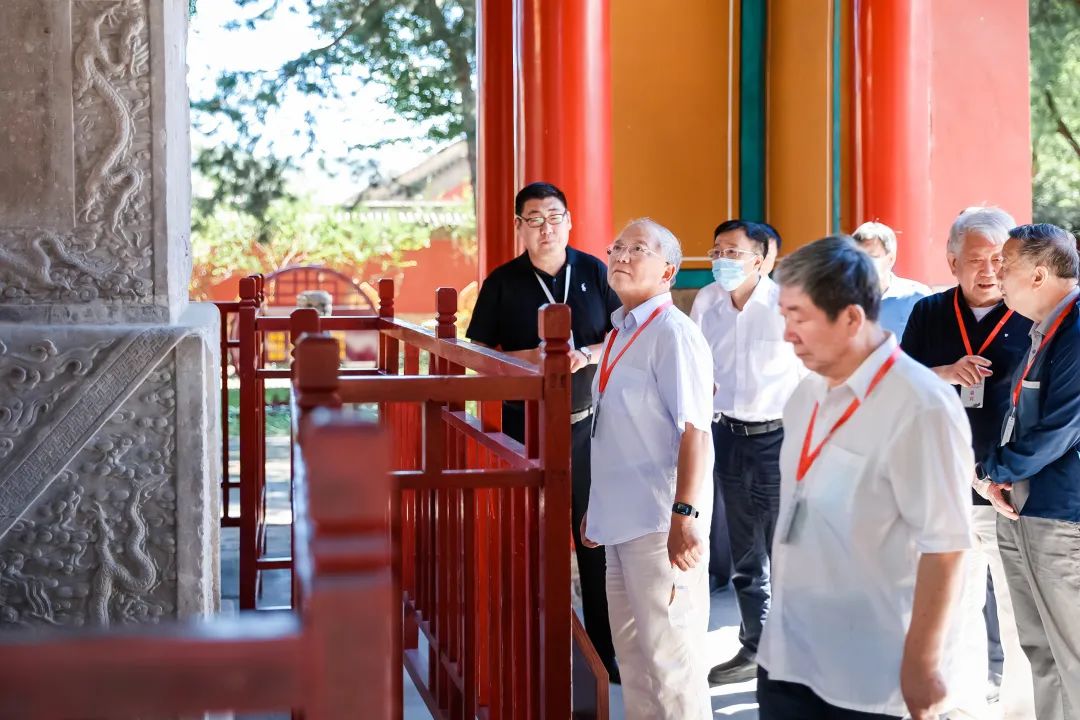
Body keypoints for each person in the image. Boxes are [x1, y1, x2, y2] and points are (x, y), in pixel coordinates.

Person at [757, 236, 976, 719]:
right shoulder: (805, 396)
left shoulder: (921, 407)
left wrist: (923, 664)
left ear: (852, 318)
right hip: (786, 656)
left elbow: (946, 546)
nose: (787, 334)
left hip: (869, 671)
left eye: (799, 317)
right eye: (784, 316)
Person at [465, 182, 621, 681]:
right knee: (525, 540)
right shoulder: (502, 282)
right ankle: (525, 647)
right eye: (534, 219)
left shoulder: (594, 271)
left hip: (588, 427)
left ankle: (603, 655)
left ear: (569, 221)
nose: (546, 228)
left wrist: (586, 355)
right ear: (519, 227)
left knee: (594, 540)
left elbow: (623, 336)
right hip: (523, 427)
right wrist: (530, 359)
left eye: (555, 217)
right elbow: (478, 356)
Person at [901, 206, 1034, 714]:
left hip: (1008, 485)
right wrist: (945, 372)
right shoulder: (929, 312)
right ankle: (960, 705)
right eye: (976, 259)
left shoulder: (1031, 312)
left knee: (1017, 609)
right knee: (952, 606)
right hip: (944, 481)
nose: (988, 270)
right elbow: (899, 383)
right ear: (952, 261)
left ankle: (1020, 709)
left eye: (999, 259)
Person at [582, 218, 714, 720]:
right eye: (617, 246)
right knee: (635, 661)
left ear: (668, 272)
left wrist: (685, 517)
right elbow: (615, 431)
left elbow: (695, 431)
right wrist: (597, 509)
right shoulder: (620, 331)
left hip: (661, 526)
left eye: (637, 248)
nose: (621, 255)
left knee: (672, 665)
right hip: (620, 522)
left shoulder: (674, 334)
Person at [690, 219, 804, 685]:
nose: (722, 260)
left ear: (760, 261)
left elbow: (811, 376)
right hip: (727, 435)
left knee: (788, 550)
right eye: (717, 251)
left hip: (780, 439)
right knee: (745, 554)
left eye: (733, 252)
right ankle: (755, 646)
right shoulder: (706, 302)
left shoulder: (787, 304)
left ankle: (795, 656)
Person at [976, 223, 1080, 720]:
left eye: (1006, 263)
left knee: (1071, 655)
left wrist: (993, 470)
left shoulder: (1076, 329)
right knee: (1042, 652)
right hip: (1025, 506)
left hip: (1061, 515)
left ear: (1039, 275)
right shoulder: (1042, 329)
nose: (996, 274)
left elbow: (1060, 428)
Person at [852, 221, 931, 337]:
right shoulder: (843, 298)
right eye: (858, 256)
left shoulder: (917, 297)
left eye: (872, 256)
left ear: (890, 259)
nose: (864, 263)